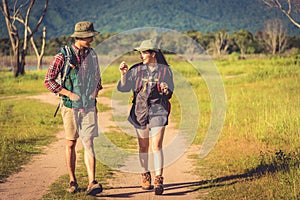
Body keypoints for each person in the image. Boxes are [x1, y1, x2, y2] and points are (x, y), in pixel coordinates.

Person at [44, 21, 103, 196]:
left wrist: (94, 93)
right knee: (71, 143)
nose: (92, 39)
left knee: (89, 142)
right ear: (80, 37)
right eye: (89, 36)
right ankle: (73, 181)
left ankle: (92, 182)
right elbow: (49, 80)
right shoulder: (63, 55)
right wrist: (69, 94)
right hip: (70, 107)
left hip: (89, 107)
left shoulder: (92, 55)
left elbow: (98, 79)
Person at [117, 39, 174, 195]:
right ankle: (145, 175)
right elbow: (124, 88)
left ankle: (158, 179)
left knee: (156, 145)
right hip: (140, 111)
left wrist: (165, 90)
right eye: (140, 52)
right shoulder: (136, 70)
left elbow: (170, 94)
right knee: (143, 146)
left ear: (153, 53)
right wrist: (123, 75)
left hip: (158, 110)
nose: (141, 55)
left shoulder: (165, 71)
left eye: (144, 52)